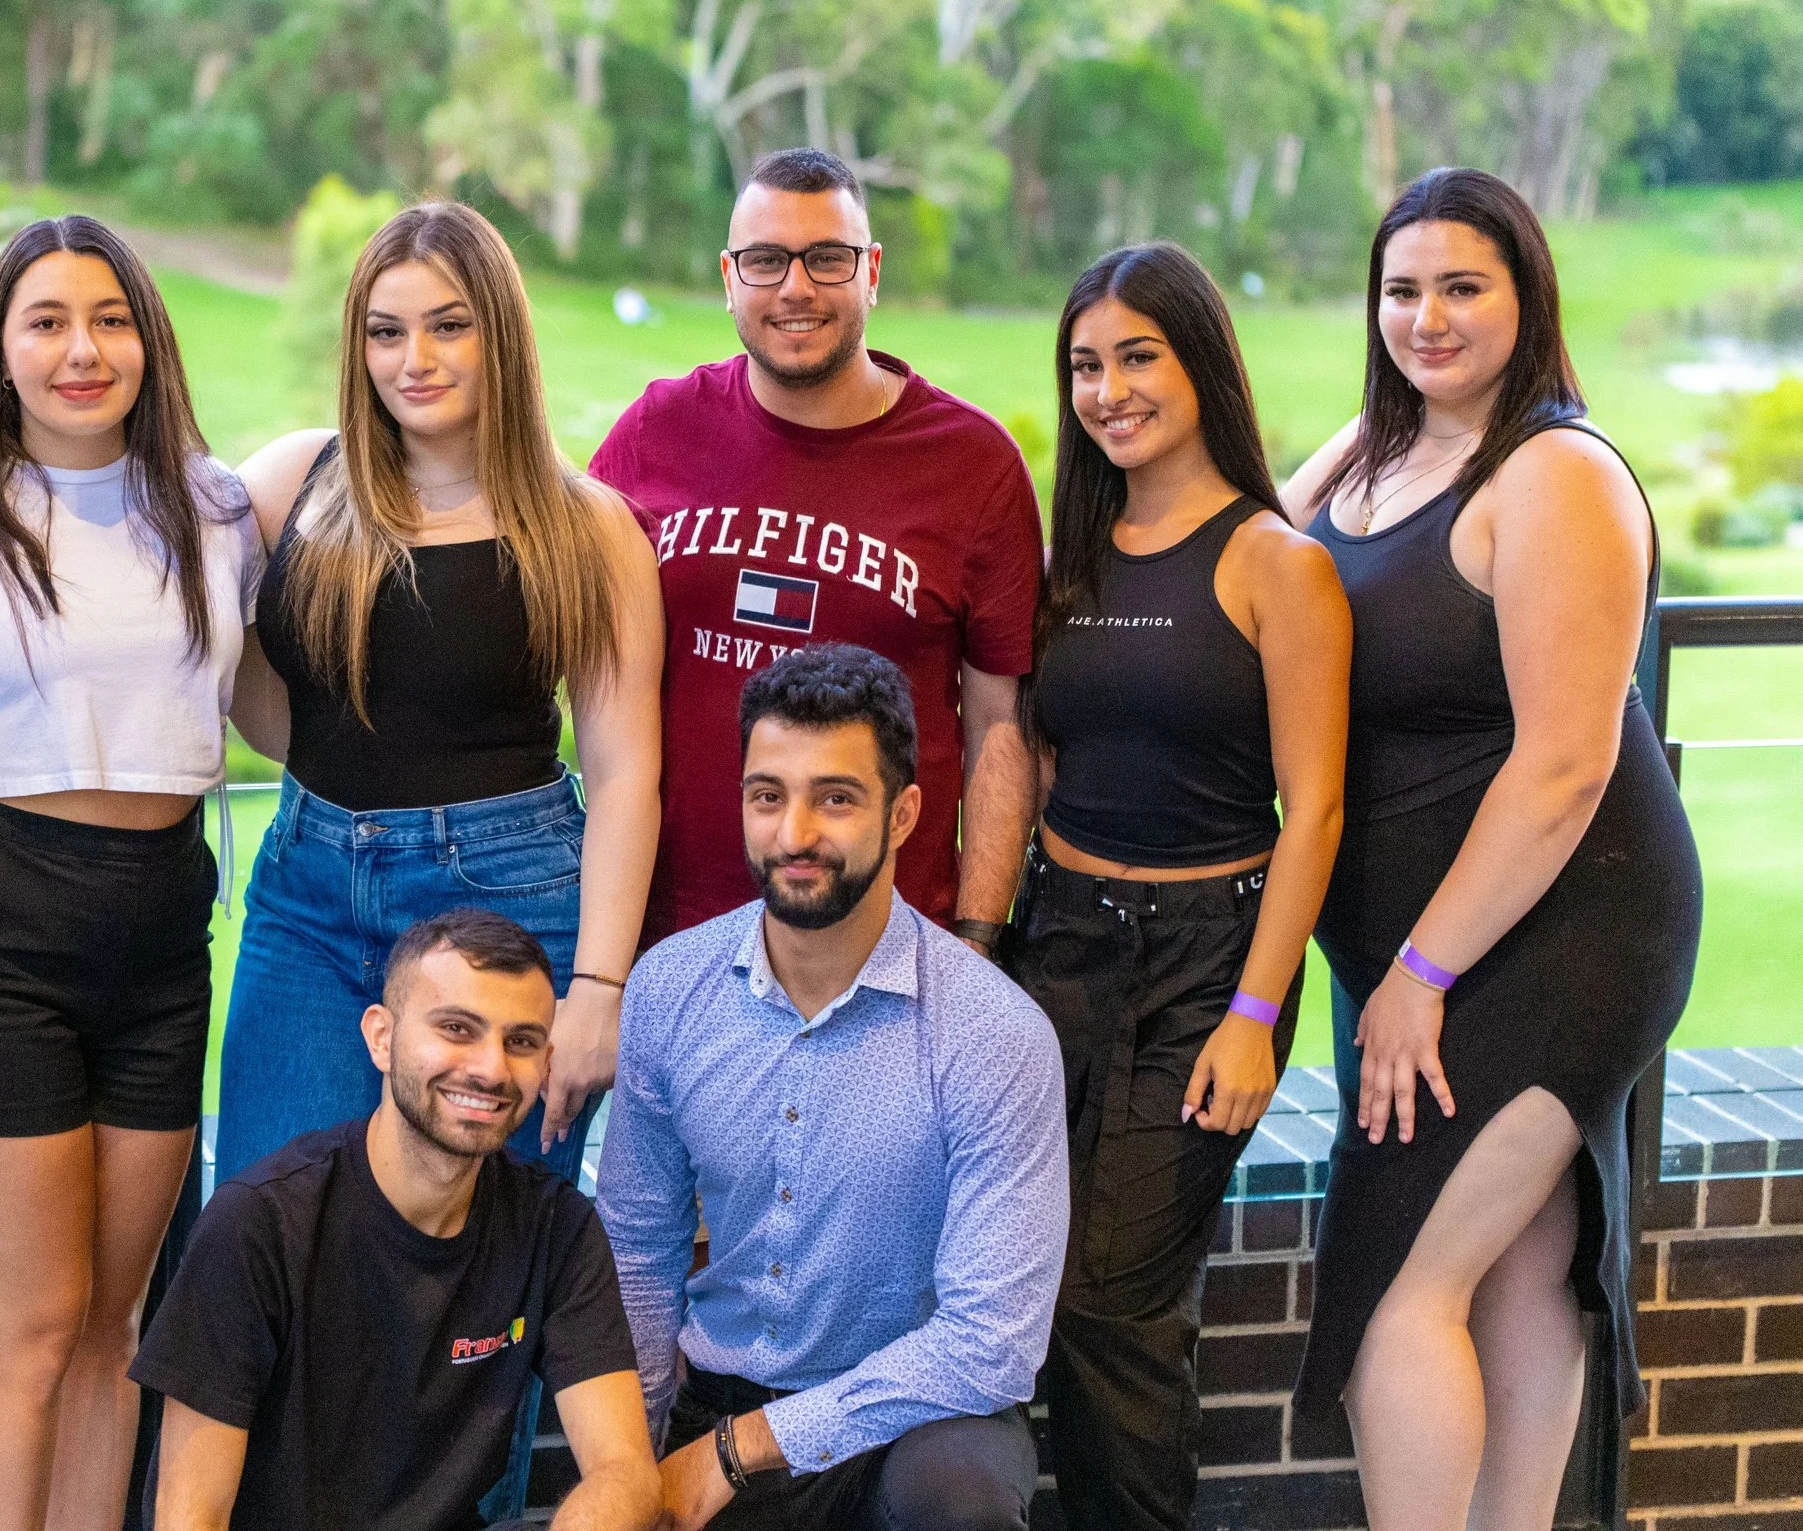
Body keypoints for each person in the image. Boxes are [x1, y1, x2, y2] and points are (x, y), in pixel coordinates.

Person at [1278, 168, 1701, 1531]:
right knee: (1516, 1263)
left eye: (1464, 285)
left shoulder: (1558, 474)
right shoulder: (1370, 451)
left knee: (1404, 1286)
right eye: (1403, 288)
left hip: (1560, 930)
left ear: (1528, 294)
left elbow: (1568, 765)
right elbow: (1254, 560)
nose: (1429, 316)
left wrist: (1417, 971)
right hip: (1427, 939)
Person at [0, 215, 260, 1529]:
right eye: (46, 319)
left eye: (108, 317)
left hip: (162, 930)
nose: (81, 348)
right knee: (31, 1327)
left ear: (148, 341)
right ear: (3, 346)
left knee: (115, 1325)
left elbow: (276, 710)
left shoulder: (216, 509)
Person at [216, 198, 664, 1187]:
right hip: (307, 896)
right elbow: (260, 700)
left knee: (477, 1260)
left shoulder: (584, 529)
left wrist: (598, 987)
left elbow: (626, 773)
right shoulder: (296, 485)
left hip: (511, 904)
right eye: (386, 331)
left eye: (447, 324)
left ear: (498, 332)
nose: (413, 356)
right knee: (265, 1221)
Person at [1010, 243, 1349, 1531]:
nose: (1107, 390)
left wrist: (1256, 1014)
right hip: (1057, 948)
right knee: (1041, 1278)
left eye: (1137, 356)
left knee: (1113, 1303)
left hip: (1205, 958)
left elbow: (1311, 807)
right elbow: (1044, 756)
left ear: (1201, 359)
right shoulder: (1076, 554)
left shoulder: (1276, 561)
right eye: (1086, 365)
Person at [596, 642, 1068, 1531]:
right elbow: (638, 1258)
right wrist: (634, 1469)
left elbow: (989, 1346)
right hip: (717, 1410)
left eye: (836, 798)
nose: (794, 833)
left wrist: (745, 1449)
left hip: (918, 1418)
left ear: (904, 814)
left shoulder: (993, 1034)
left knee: (957, 1502)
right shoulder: (669, 989)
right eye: (768, 795)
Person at [589, 147, 1042, 958]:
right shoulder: (655, 431)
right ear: (729, 278)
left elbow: (999, 727)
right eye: (766, 261)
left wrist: (975, 937)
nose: (795, 287)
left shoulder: (975, 465)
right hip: (675, 950)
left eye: (826, 258)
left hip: (890, 954)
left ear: (871, 272)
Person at [132, 908, 662, 1531]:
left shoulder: (555, 1226)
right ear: (381, 1038)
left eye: (519, 1041)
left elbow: (625, 1471)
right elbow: (189, 1515)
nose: (491, 1068)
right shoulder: (259, 1224)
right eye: (458, 1029)